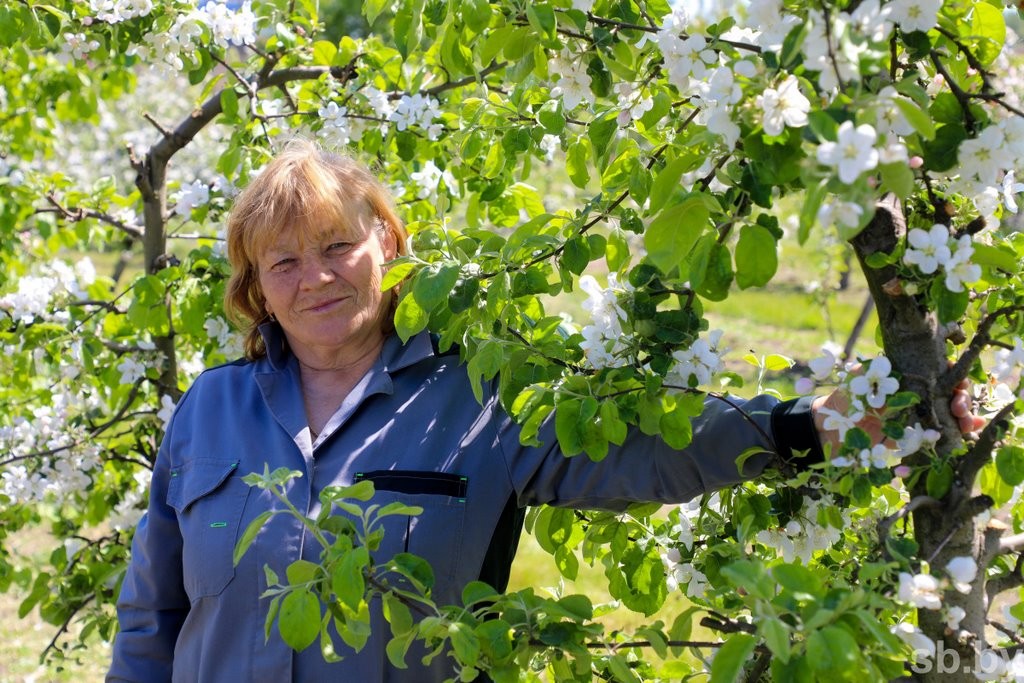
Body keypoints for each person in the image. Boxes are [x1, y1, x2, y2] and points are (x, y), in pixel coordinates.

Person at [107, 140, 981, 682]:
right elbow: (152, 615)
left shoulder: (482, 396)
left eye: (338, 246)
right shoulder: (207, 411)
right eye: (284, 261)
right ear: (254, 284)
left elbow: (655, 449)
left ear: (390, 247)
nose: (317, 277)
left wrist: (827, 422)